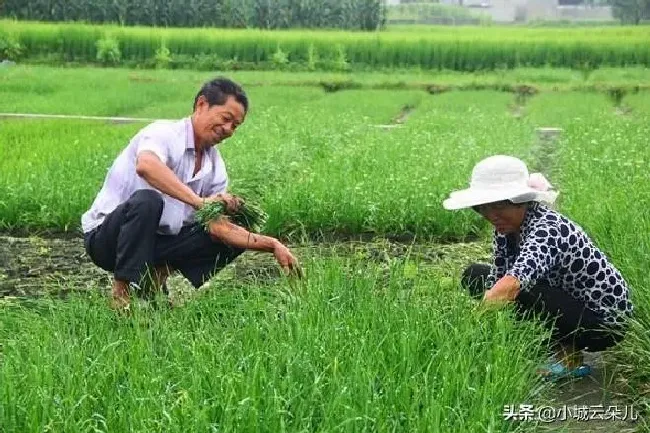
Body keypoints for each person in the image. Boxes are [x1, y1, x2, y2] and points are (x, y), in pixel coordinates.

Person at [81, 77, 300, 310]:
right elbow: (146, 166)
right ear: (201, 105)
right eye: (226, 119)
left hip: (154, 243)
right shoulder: (163, 133)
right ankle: (122, 296)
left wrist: (272, 245)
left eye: (235, 125)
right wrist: (200, 202)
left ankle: (154, 279)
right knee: (148, 201)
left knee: (234, 220)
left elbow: (219, 228)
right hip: (108, 239)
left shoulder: (215, 166)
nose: (228, 129)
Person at [443, 155, 633, 380]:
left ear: (521, 200)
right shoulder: (506, 228)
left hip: (602, 322)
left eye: (499, 206)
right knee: (475, 275)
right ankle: (539, 341)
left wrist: (463, 335)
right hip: (566, 301)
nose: (491, 215)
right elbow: (498, 276)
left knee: (520, 288)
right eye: (482, 208)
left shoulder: (547, 229)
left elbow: (511, 284)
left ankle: (569, 358)